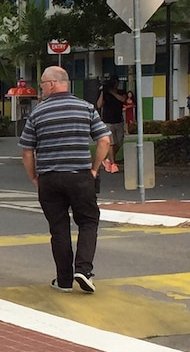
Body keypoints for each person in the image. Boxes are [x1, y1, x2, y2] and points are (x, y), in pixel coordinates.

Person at [19, 66, 110, 294]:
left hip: (49, 179)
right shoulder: (85, 107)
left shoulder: (37, 113)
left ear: (52, 83)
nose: (41, 88)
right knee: (89, 221)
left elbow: (27, 151)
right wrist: (94, 169)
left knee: (58, 229)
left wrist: (34, 176)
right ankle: (84, 269)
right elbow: (105, 140)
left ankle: (64, 280)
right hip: (80, 177)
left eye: (42, 84)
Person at [95, 75, 126, 173]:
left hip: (118, 120)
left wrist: (113, 92)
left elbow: (123, 99)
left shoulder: (121, 92)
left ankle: (108, 159)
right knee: (111, 143)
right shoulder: (105, 93)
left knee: (119, 142)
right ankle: (113, 164)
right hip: (107, 121)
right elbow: (99, 105)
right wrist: (103, 92)